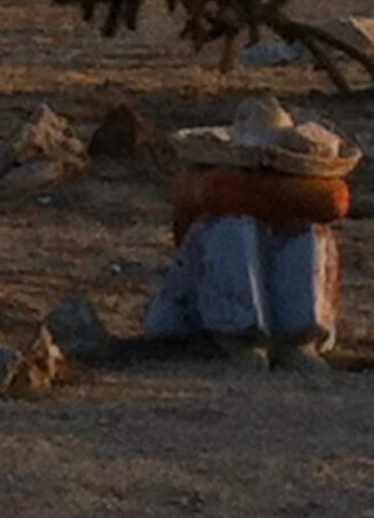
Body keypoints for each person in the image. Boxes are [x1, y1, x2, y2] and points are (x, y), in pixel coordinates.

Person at [144, 98, 355, 365]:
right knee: (232, 232)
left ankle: (298, 336)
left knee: (308, 235)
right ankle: (237, 333)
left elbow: (333, 205)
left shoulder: (303, 219)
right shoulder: (220, 205)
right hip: (202, 308)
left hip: (280, 252)